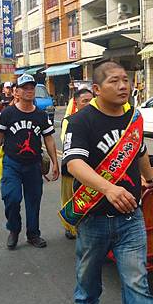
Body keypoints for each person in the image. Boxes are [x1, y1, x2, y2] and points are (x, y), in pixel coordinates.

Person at [60, 61, 153, 304]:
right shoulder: (81, 121)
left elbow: (139, 152)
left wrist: (151, 180)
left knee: (137, 280)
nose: (123, 85)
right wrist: (108, 189)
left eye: (125, 80)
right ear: (97, 89)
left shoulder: (133, 118)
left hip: (131, 217)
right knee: (89, 269)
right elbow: (74, 164)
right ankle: (86, 303)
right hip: (94, 216)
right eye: (114, 81)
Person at [0, 74, 59, 250]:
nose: (29, 91)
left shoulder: (40, 115)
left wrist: (54, 162)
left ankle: (33, 234)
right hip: (12, 164)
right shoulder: (8, 113)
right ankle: (14, 229)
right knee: (11, 198)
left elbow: (48, 139)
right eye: (25, 88)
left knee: (33, 201)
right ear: (16, 92)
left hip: (34, 165)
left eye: (31, 88)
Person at [60, 87, 93, 240]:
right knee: (70, 198)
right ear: (76, 103)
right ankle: (70, 227)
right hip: (72, 168)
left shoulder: (99, 119)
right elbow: (66, 142)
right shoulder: (69, 121)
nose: (88, 103)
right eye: (84, 101)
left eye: (91, 100)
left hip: (92, 168)